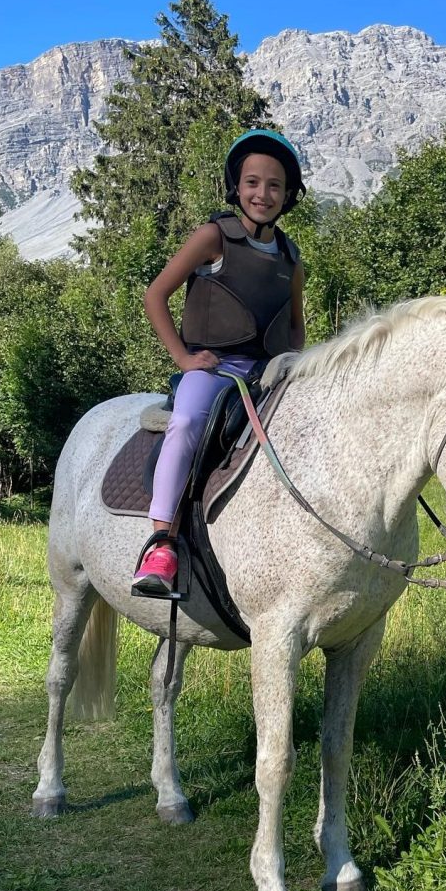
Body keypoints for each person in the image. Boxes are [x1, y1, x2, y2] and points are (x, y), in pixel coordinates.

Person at [132, 129, 307, 595]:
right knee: (188, 422)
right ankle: (161, 545)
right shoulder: (214, 236)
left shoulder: (291, 256)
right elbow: (155, 295)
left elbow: (294, 326)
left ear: (288, 194)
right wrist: (184, 358)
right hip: (213, 370)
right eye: (252, 182)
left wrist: (297, 364)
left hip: (267, 374)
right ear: (236, 186)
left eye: (274, 185)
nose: (262, 194)